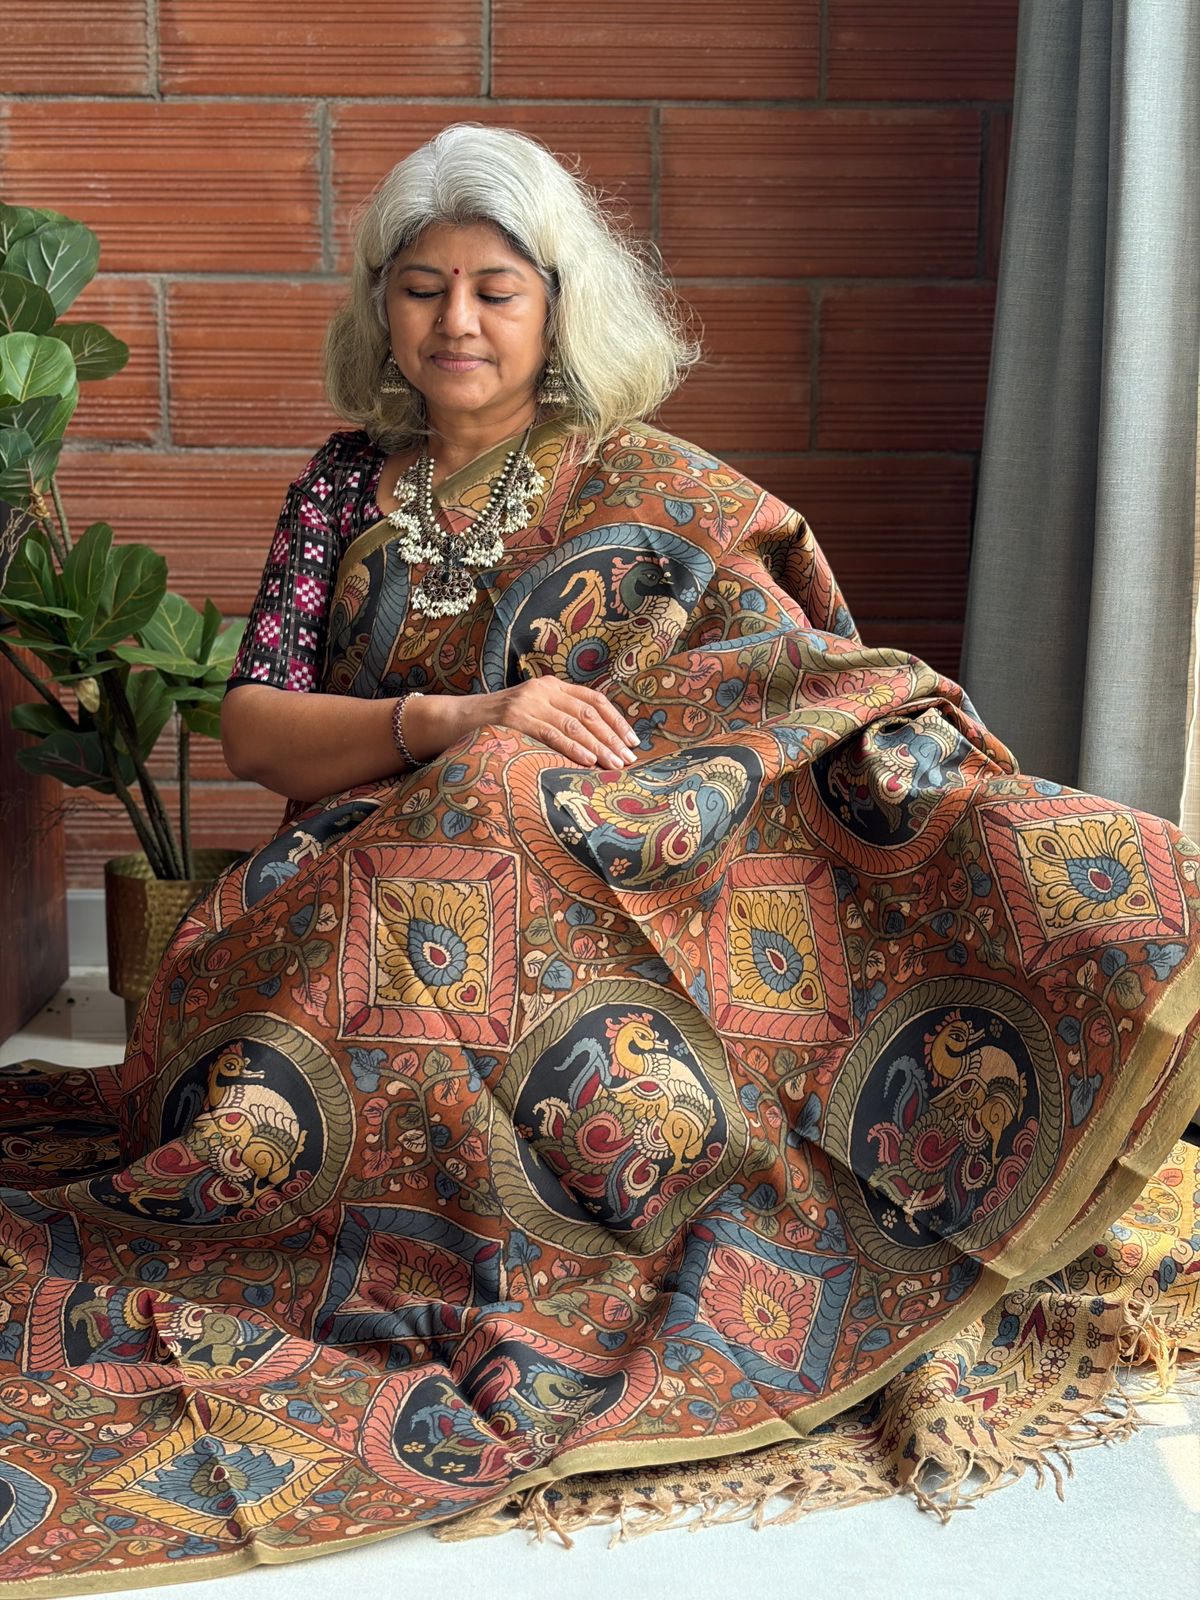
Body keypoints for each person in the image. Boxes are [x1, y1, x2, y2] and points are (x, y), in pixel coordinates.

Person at [0, 122, 1198, 1591]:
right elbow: (255, 729)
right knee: (479, 785)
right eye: (422, 287)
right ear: (380, 307)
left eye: (495, 289)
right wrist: (460, 724)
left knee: (510, 797)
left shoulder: (653, 483)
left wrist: (561, 782)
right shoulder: (340, 489)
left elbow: (786, 688)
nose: (456, 321)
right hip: (336, 887)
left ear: (559, 306)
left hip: (596, 886)